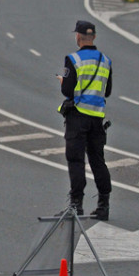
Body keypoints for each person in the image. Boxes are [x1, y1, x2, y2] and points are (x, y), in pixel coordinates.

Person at [57, 20, 113, 220]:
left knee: (76, 160)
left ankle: (76, 205)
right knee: (98, 160)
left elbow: (67, 90)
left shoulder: (73, 59)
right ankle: (103, 205)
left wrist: (63, 81)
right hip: (97, 118)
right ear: (94, 37)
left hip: (78, 117)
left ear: (78, 37)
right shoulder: (105, 60)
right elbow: (107, 91)